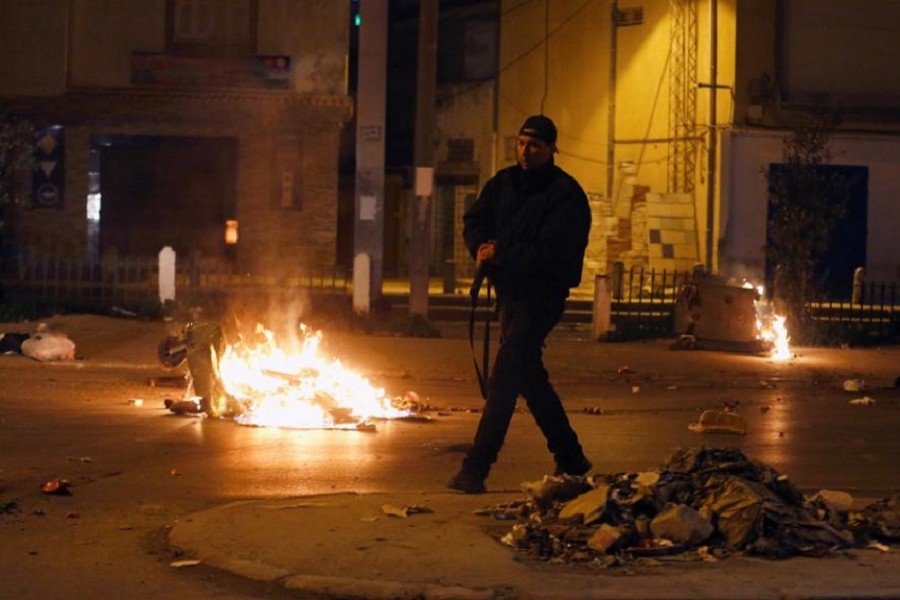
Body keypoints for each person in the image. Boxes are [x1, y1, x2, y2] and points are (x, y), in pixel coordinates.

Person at [448, 114, 593, 494]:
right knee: (528, 374)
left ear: (551, 149)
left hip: (542, 298)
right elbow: (474, 219)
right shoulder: (504, 184)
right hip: (511, 295)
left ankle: (476, 467)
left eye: (534, 146)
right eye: (521, 143)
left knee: (507, 375)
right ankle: (571, 456)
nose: (525, 152)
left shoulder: (566, 196)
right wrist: (480, 246)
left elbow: (554, 254)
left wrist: (503, 253)